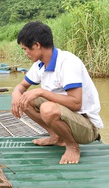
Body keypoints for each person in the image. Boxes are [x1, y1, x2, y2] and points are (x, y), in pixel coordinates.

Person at [11, 21, 103, 164]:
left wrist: (41, 92)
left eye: (25, 49)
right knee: (25, 99)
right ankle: (55, 136)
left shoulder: (67, 62)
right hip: (67, 118)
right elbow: (21, 86)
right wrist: (16, 95)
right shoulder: (39, 65)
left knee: (47, 109)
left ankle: (72, 146)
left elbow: (76, 103)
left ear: (36, 45)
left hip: (87, 125)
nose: (25, 53)